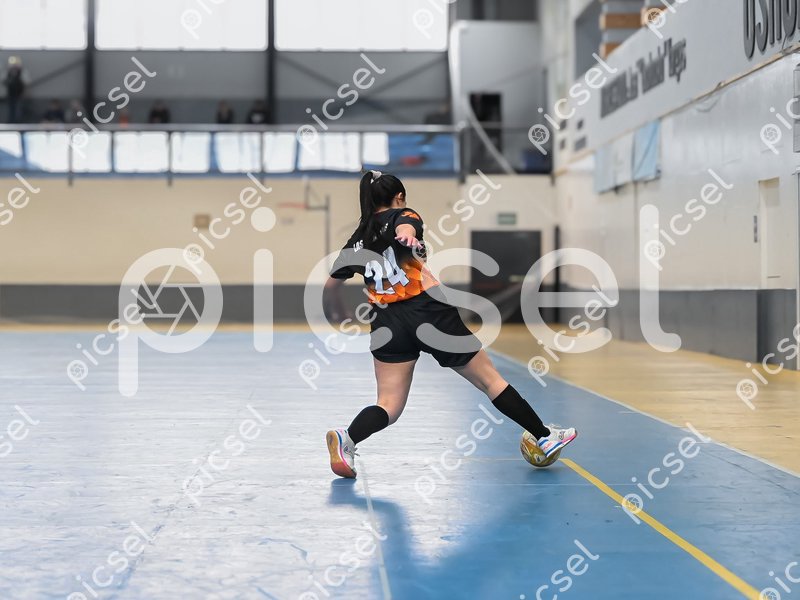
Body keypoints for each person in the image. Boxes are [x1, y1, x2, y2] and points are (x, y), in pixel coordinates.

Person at [323, 171, 577, 478]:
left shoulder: (357, 239)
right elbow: (405, 225)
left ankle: (347, 438)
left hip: (386, 322)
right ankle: (544, 437)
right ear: (399, 197)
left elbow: (331, 286)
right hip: (428, 311)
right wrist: (407, 235)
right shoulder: (403, 214)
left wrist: (341, 314)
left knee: (388, 405)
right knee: (490, 381)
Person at [2, 56, 27, 124]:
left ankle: (18, 122)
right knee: (11, 109)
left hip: (19, 94)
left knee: (18, 109)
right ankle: (11, 122)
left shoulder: (22, 72)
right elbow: (3, 81)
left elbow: (26, 82)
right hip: (10, 94)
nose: (14, 67)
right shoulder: (7, 72)